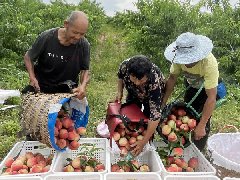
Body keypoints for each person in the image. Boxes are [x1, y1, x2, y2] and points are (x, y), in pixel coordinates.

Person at [162, 32, 219, 151]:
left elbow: (211, 97)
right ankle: (183, 144)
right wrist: (163, 103)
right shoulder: (178, 59)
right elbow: (172, 78)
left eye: (190, 60)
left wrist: (202, 125)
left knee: (202, 121)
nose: (187, 63)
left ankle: (197, 149)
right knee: (186, 113)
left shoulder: (209, 63)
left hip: (206, 91)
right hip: (191, 86)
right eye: (184, 60)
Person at [22, 11, 90, 100]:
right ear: (66, 24)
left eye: (82, 34)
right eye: (75, 32)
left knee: (66, 112)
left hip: (66, 92)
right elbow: (28, 57)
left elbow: (85, 70)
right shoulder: (47, 37)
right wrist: (32, 77)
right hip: (41, 88)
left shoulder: (84, 45)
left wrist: (83, 86)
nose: (77, 37)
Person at [116, 55, 165, 156]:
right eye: (134, 78)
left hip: (150, 96)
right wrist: (119, 92)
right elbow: (120, 77)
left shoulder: (154, 82)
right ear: (129, 73)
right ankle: (132, 132)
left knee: (147, 120)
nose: (138, 83)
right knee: (130, 115)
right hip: (132, 92)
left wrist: (143, 141)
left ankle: (147, 140)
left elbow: (155, 116)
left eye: (141, 80)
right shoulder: (125, 66)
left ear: (147, 75)